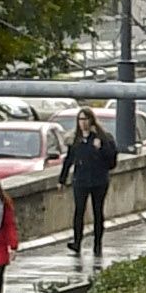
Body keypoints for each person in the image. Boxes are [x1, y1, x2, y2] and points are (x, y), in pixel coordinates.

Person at [58, 107, 118, 262]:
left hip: (99, 180)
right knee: (79, 211)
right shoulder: (76, 140)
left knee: (98, 211)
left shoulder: (103, 138)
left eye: (86, 119)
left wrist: (101, 148)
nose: (83, 123)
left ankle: (97, 243)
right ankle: (77, 242)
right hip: (81, 180)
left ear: (92, 121)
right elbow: (69, 160)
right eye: (80, 120)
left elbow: (112, 162)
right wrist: (62, 179)